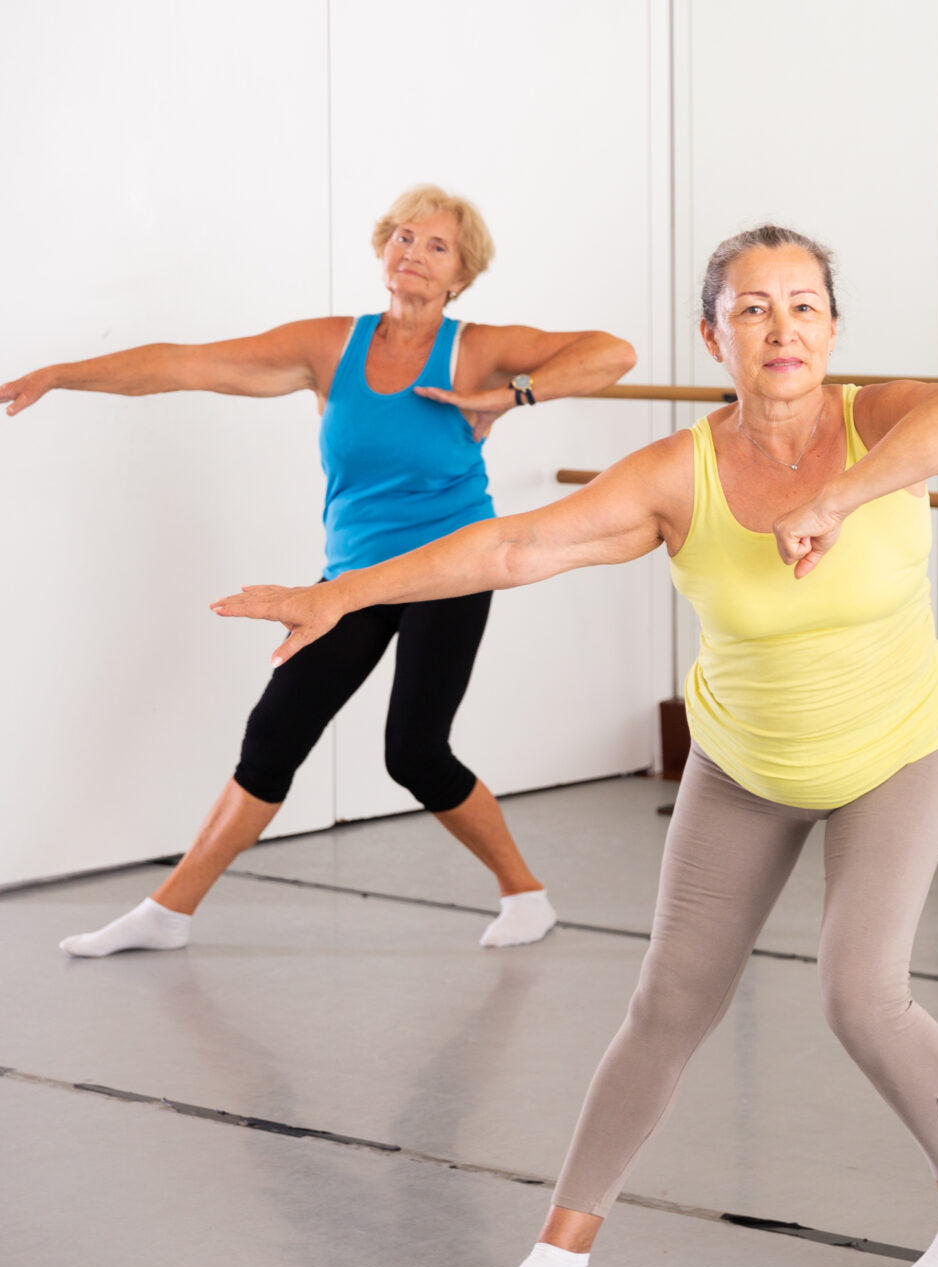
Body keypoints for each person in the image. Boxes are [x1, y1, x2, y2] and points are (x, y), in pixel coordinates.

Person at [213, 227, 938, 1267]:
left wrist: (834, 500)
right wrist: (346, 595)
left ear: (832, 328)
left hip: (896, 748)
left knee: (858, 995)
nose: (780, 328)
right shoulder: (672, 477)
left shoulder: (874, 419)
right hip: (744, 762)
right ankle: (559, 1254)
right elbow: (508, 549)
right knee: (665, 1006)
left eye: (802, 306)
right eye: (750, 309)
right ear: (712, 333)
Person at [3, 185, 635, 956]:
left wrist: (509, 394)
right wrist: (63, 373)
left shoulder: (477, 346)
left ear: (460, 277)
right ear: (382, 250)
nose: (414, 253)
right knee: (275, 732)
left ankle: (524, 892)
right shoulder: (330, 346)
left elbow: (612, 352)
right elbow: (185, 365)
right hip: (353, 579)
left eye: (438, 247)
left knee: (414, 751)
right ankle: (167, 912)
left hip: (451, 566)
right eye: (404, 237)